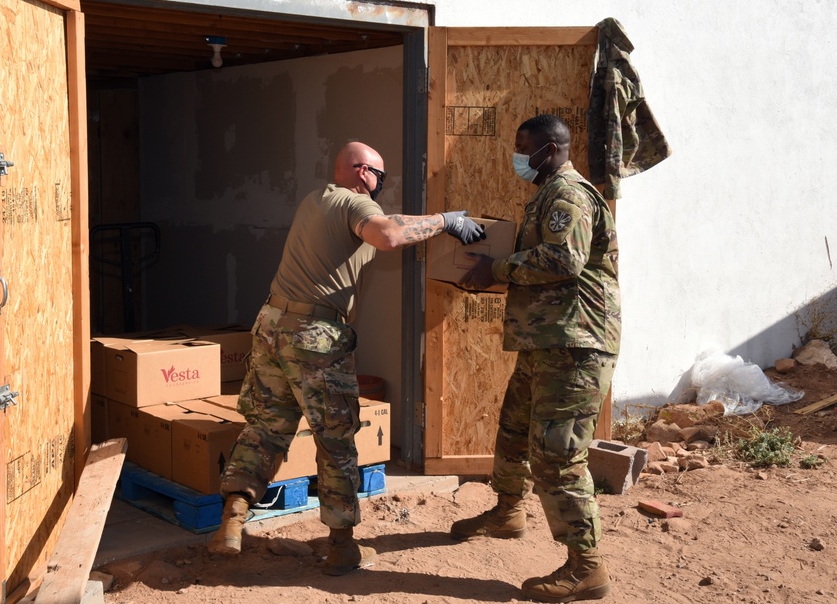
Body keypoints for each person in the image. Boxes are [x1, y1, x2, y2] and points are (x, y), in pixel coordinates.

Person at [209, 141, 485, 575]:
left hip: (272, 325)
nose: (380, 186)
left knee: (265, 428)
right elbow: (389, 234)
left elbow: (384, 225)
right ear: (361, 173)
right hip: (314, 337)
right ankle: (341, 548)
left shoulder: (316, 200)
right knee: (335, 440)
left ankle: (233, 520)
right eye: (380, 176)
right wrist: (444, 221)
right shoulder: (352, 202)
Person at [452, 114, 620, 602]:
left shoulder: (568, 195)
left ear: (548, 150)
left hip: (576, 344)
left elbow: (564, 259)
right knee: (513, 429)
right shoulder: (545, 195)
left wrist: (497, 268)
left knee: (558, 453)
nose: (517, 157)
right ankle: (507, 512)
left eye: (523, 148)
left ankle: (586, 567)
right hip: (547, 342)